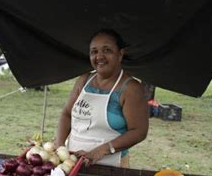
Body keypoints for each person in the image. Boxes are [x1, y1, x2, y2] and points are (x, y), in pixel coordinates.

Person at [55, 29, 149, 167]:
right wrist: (59, 146)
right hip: (72, 163)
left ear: (120, 54)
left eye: (107, 50)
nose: (99, 56)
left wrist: (103, 150)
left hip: (110, 166)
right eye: (94, 51)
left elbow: (139, 131)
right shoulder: (84, 80)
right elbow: (67, 114)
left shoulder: (131, 88)